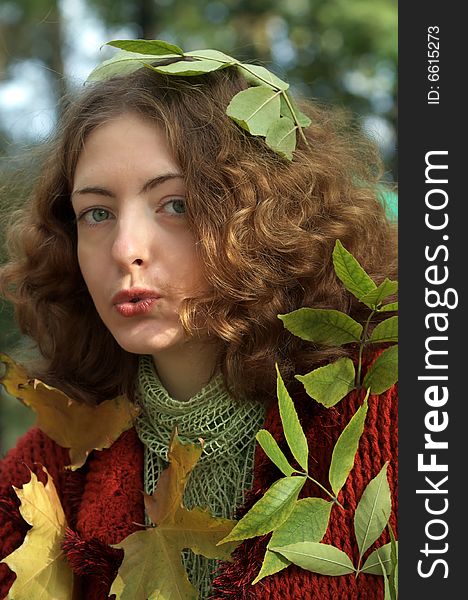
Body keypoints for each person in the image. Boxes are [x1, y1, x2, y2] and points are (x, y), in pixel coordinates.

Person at [0, 42, 397, 599]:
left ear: (265, 217)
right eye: (97, 213)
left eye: (176, 205)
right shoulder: (49, 470)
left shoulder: (390, 411)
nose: (126, 249)